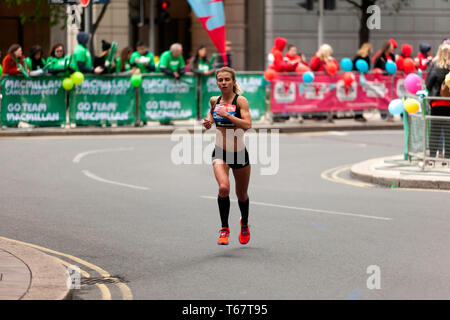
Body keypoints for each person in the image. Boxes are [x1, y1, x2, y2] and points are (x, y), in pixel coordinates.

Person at [203, 67, 252, 246]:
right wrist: (208, 121)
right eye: (220, 80)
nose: (223, 83)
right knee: (224, 188)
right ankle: (224, 228)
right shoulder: (214, 100)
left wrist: (229, 116)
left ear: (233, 82)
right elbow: (211, 113)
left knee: (241, 194)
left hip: (239, 153)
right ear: (217, 82)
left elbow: (248, 124)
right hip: (220, 150)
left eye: (227, 80)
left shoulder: (241, 101)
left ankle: (244, 224)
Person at [426, 44, 450, 159]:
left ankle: (431, 157)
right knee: (448, 133)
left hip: (437, 103)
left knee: (435, 132)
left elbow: (428, 85)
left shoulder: (435, 68)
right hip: (449, 104)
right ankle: (448, 159)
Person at [352, 43, 373, 122]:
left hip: (358, 79)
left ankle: (358, 114)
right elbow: (367, 68)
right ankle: (358, 115)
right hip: (361, 79)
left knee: (358, 97)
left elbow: (353, 66)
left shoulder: (357, 56)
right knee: (360, 97)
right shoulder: (365, 58)